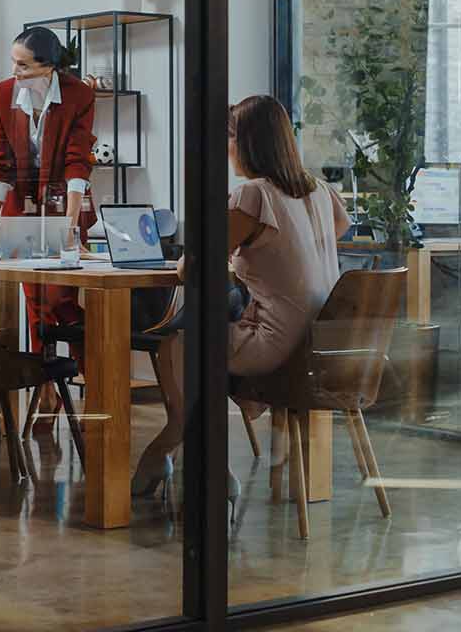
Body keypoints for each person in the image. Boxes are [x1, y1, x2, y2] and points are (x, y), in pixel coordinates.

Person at [135, 95, 350, 499]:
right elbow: (340, 227)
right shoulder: (319, 190)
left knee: (178, 344)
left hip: (278, 346)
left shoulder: (254, 194)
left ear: (247, 142)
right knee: (212, 332)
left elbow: (190, 269)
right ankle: (180, 457)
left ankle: (181, 452)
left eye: (229, 137)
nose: (225, 147)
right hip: (319, 343)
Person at [0, 27, 98, 356]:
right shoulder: (2, 93)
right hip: (21, 210)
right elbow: (2, 160)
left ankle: (89, 370)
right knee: (35, 300)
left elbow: (77, 160)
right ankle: (47, 386)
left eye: (23, 65)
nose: (15, 72)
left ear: (49, 66)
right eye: (13, 63)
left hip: (65, 204)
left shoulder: (78, 94)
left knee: (60, 298)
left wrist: (70, 224)